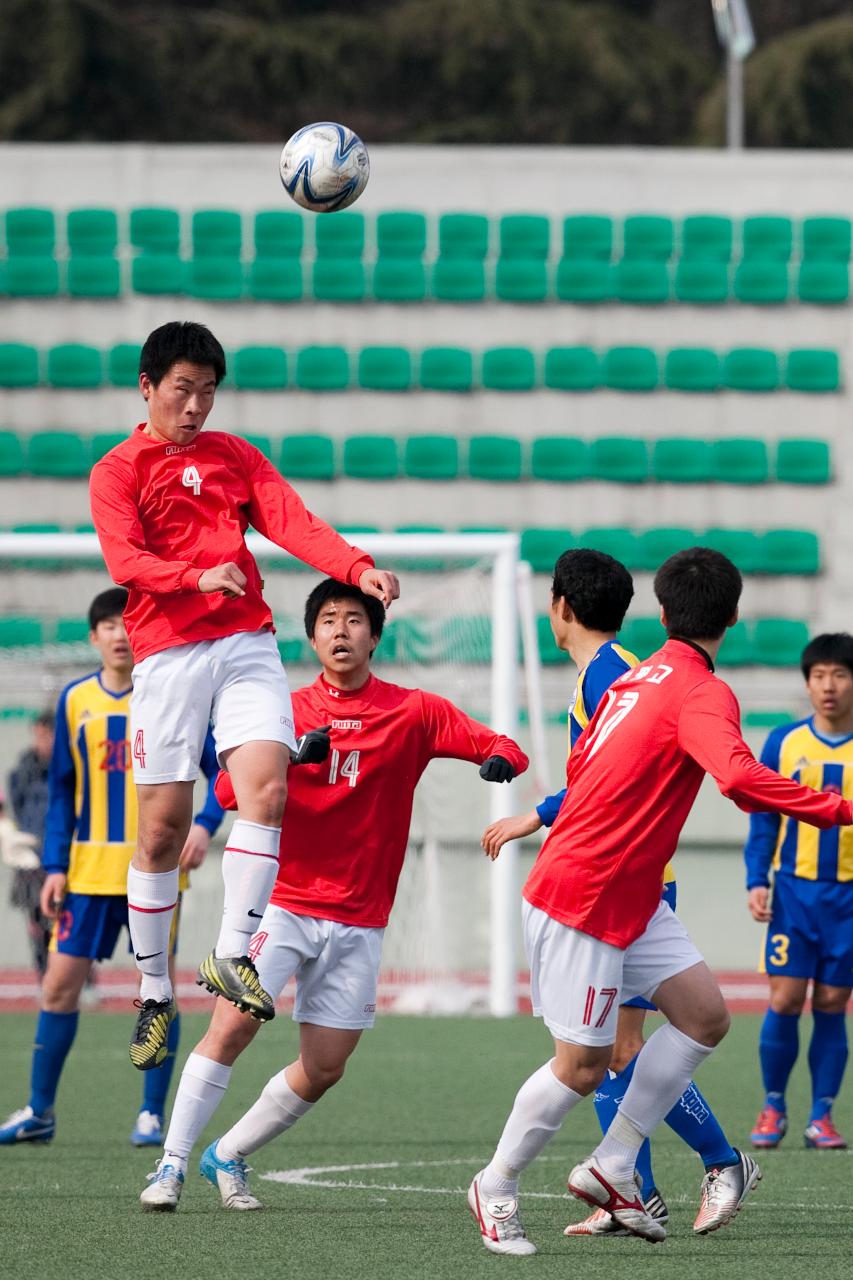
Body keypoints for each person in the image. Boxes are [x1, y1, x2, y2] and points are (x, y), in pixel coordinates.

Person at [468, 547, 853, 1255]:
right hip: (582, 895)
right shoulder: (702, 691)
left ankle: (614, 1164)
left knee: (704, 1016)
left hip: (627, 891)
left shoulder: (631, 679)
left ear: (663, 613)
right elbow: (736, 778)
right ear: (733, 618)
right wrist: (837, 809)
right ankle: (493, 1185)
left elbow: (583, 770)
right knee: (582, 1066)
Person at [138, 576, 528, 1210]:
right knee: (230, 1031)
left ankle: (226, 1154)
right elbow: (232, 795)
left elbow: (500, 742)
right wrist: (289, 756)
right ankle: (171, 1166)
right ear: (311, 635)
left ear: (375, 635)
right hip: (284, 904)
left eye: (354, 620)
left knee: (324, 1067)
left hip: (362, 919)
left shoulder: (415, 711)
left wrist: (502, 761)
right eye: (327, 620)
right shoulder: (279, 712)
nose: (340, 631)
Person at [89, 321, 399, 1070]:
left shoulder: (235, 457)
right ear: (148, 387)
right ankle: (156, 990)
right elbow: (124, 560)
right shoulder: (118, 470)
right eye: (182, 390)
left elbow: (292, 522)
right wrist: (194, 576)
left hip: (245, 643)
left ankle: (231, 956)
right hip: (167, 654)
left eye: (208, 392)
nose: (196, 406)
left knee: (266, 791)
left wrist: (356, 567)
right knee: (160, 834)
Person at [481, 548, 744, 1237]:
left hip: (624, 885)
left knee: (605, 1057)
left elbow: (611, 778)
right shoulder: (613, 674)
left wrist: (535, 815)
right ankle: (627, 1187)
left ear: (557, 608)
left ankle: (705, 1165)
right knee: (620, 1052)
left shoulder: (621, 678)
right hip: (613, 881)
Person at [0, 588, 224, 1148]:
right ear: (93, 636)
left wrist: (203, 825)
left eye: (128, 622)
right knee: (57, 987)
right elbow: (60, 792)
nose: (120, 634)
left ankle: (152, 1115)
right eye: (107, 624)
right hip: (87, 874)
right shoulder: (76, 701)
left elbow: (223, 771)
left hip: (156, 877)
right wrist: (54, 865)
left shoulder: (176, 694)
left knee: (159, 992)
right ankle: (40, 1110)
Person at [745, 632, 853, 1152]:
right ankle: (773, 1105)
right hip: (793, 893)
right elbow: (764, 818)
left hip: (849, 901)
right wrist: (756, 879)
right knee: (785, 998)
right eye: (818, 675)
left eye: (839, 674)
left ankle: (822, 1115)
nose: (828, 686)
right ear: (807, 683)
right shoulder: (783, 743)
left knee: (833, 1002)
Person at [7, 711, 54, 978]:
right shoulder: (22, 771)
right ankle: (42, 975)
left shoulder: (68, 770)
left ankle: (84, 980)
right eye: (37, 735)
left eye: (46, 736)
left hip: (61, 858)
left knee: (66, 925)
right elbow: (16, 806)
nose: (41, 741)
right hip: (32, 861)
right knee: (36, 923)